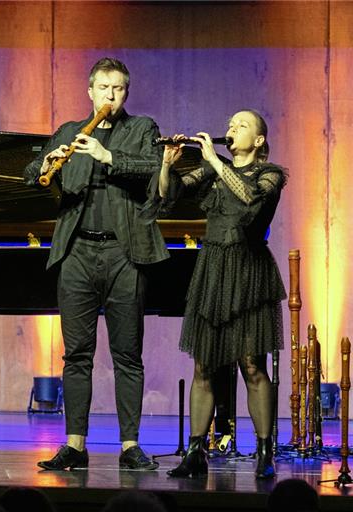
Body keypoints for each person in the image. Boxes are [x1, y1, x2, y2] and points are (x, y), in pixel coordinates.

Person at [24, 57, 167, 471]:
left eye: (118, 88)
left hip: (124, 254)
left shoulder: (141, 129)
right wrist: (46, 167)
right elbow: (30, 171)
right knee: (77, 355)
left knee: (127, 354)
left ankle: (129, 445)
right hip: (77, 255)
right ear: (90, 91)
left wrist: (107, 156)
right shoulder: (70, 132)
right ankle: (74, 444)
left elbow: (153, 168)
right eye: (103, 87)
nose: (110, 95)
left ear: (126, 92)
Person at [155, 110, 287, 479]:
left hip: (248, 271)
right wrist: (168, 166)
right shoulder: (215, 169)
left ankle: (264, 452)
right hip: (212, 270)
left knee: (251, 365)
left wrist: (214, 159)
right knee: (203, 365)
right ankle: (196, 451)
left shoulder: (270, 173)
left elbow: (249, 201)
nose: (230, 129)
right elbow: (171, 195)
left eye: (241, 125)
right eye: (229, 124)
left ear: (259, 140)